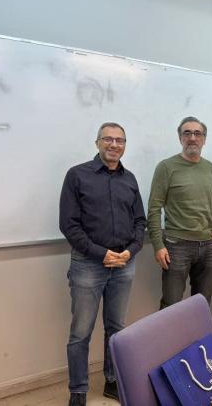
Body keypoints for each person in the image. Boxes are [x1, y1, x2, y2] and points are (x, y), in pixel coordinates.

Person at [59, 122, 146, 406]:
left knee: (116, 328)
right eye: (108, 139)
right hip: (88, 264)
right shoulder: (77, 175)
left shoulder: (129, 179)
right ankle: (78, 391)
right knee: (80, 332)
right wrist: (100, 253)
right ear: (97, 142)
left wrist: (131, 251)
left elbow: (140, 222)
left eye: (120, 140)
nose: (114, 144)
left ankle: (112, 381)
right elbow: (69, 225)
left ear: (125, 145)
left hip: (124, 265)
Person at [147, 116, 212, 309]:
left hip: (208, 246)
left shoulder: (208, 166)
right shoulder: (166, 167)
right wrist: (158, 245)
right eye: (187, 133)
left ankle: (197, 332)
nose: (192, 138)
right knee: (171, 305)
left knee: (202, 303)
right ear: (180, 137)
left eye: (197, 133)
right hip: (177, 246)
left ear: (204, 139)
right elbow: (154, 208)